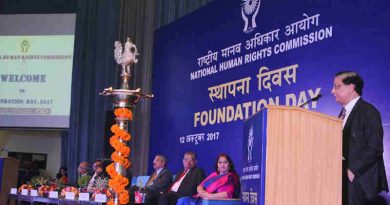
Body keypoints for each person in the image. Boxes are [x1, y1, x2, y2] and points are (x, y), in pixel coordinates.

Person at [331, 71, 388, 205]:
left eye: (336, 86)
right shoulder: (342, 114)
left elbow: (375, 148)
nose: (332, 91)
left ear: (351, 88)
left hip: (361, 183)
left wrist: (352, 170)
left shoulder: (368, 111)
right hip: (342, 184)